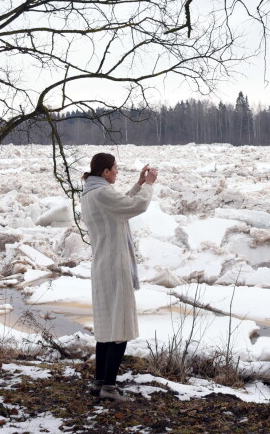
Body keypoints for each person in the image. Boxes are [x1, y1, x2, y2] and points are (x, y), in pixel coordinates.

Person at [81, 152, 157, 401]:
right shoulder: (102, 193)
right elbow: (135, 206)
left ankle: (99, 382)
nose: (117, 172)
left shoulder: (91, 194)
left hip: (102, 265)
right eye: (115, 169)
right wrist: (149, 186)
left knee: (106, 329)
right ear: (104, 172)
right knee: (120, 329)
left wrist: (138, 184)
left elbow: (120, 201)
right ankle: (109, 389)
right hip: (115, 265)